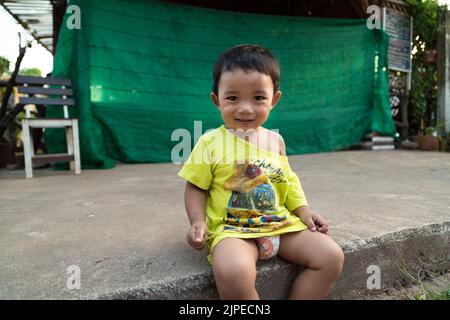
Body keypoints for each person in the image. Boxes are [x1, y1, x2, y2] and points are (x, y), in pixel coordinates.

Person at [177, 44, 344, 300]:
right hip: (234, 230)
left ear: (274, 99)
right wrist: (197, 221)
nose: (245, 108)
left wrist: (304, 210)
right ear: (216, 100)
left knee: (331, 257)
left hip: (280, 224)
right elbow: (196, 187)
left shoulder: (275, 141)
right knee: (233, 272)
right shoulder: (210, 142)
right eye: (232, 98)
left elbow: (288, 180)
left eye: (258, 98)